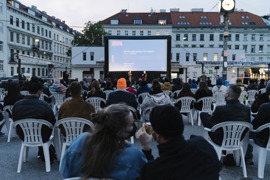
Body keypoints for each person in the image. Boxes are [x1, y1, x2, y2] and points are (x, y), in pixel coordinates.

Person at [60, 104, 147, 179]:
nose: (133, 127)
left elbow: (66, 173)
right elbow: (149, 175)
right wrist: (146, 147)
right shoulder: (134, 156)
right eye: (131, 124)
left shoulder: (79, 142)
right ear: (121, 133)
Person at [137, 104, 222, 180]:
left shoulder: (155, 169)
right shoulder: (203, 145)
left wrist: (146, 148)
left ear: (157, 134)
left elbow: (151, 172)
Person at [12, 77, 56, 162]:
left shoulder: (17, 105)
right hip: (42, 135)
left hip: (23, 135)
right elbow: (52, 121)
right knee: (44, 129)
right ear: (39, 91)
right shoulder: (44, 105)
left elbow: (15, 119)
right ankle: (49, 152)